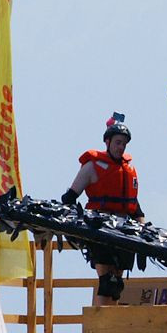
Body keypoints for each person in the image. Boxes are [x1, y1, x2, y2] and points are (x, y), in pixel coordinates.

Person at [61, 113, 145, 305]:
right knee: (106, 282)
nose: (121, 147)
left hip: (124, 229)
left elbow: (135, 205)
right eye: (117, 142)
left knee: (116, 286)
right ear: (107, 142)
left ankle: (109, 326)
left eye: (124, 143)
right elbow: (69, 198)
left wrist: (143, 230)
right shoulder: (92, 167)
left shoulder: (128, 170)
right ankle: (97, 328)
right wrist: (76, 226)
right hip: (100, 228)